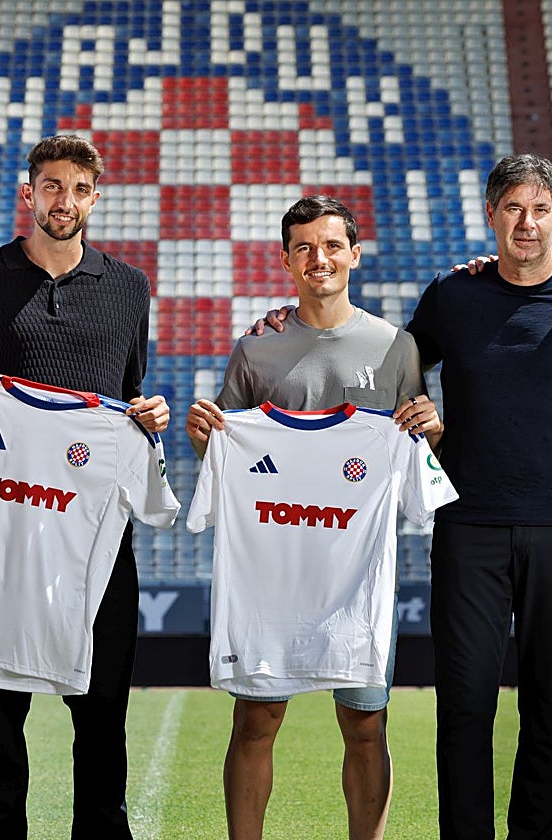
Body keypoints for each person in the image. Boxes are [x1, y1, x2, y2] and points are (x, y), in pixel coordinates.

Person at [254, 155, 552, 838]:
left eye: (541, 208)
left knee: (550, 707)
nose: (528, 222)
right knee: (465, 706)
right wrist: (297, 324)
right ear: (491, 214)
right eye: (513, 208)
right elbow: (387, 369)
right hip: (468, 528)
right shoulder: (453, 295)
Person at [0, 134, 170, 839]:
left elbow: (126, 399)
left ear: (96, 198)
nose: (65, 202)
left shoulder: (128, 287)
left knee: (102, 710)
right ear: (28, 194)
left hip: (92, 530)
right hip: (3, 526)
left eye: (79, 189)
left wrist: (148, 413)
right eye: (52, 187)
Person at [185, 195, 442, 840]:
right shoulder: (256, 351)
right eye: (303, 247)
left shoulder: (395, 348)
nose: (318, 259)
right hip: (272, 578)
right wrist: (204, 434)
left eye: (331, 246)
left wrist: (429, 429)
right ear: (285, 260)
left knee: (365, 725)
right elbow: (225, 452)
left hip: (354, 580)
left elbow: (415, 450)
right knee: (255, 721)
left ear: (354, 254)